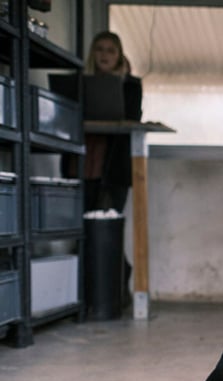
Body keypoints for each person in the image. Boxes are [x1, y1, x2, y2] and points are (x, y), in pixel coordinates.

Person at [80, 31, 143, 307]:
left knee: (109, 229)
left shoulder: (130, 85)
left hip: (114, 167)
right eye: (100, 50)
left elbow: (132, 116)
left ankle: (116, 289)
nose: (104, 55)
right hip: (82, 164)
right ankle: (87, 294)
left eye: (111, 50)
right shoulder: (81, 84)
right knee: (81, 230)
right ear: (93, 54)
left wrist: (118, 86)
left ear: (119, 56)